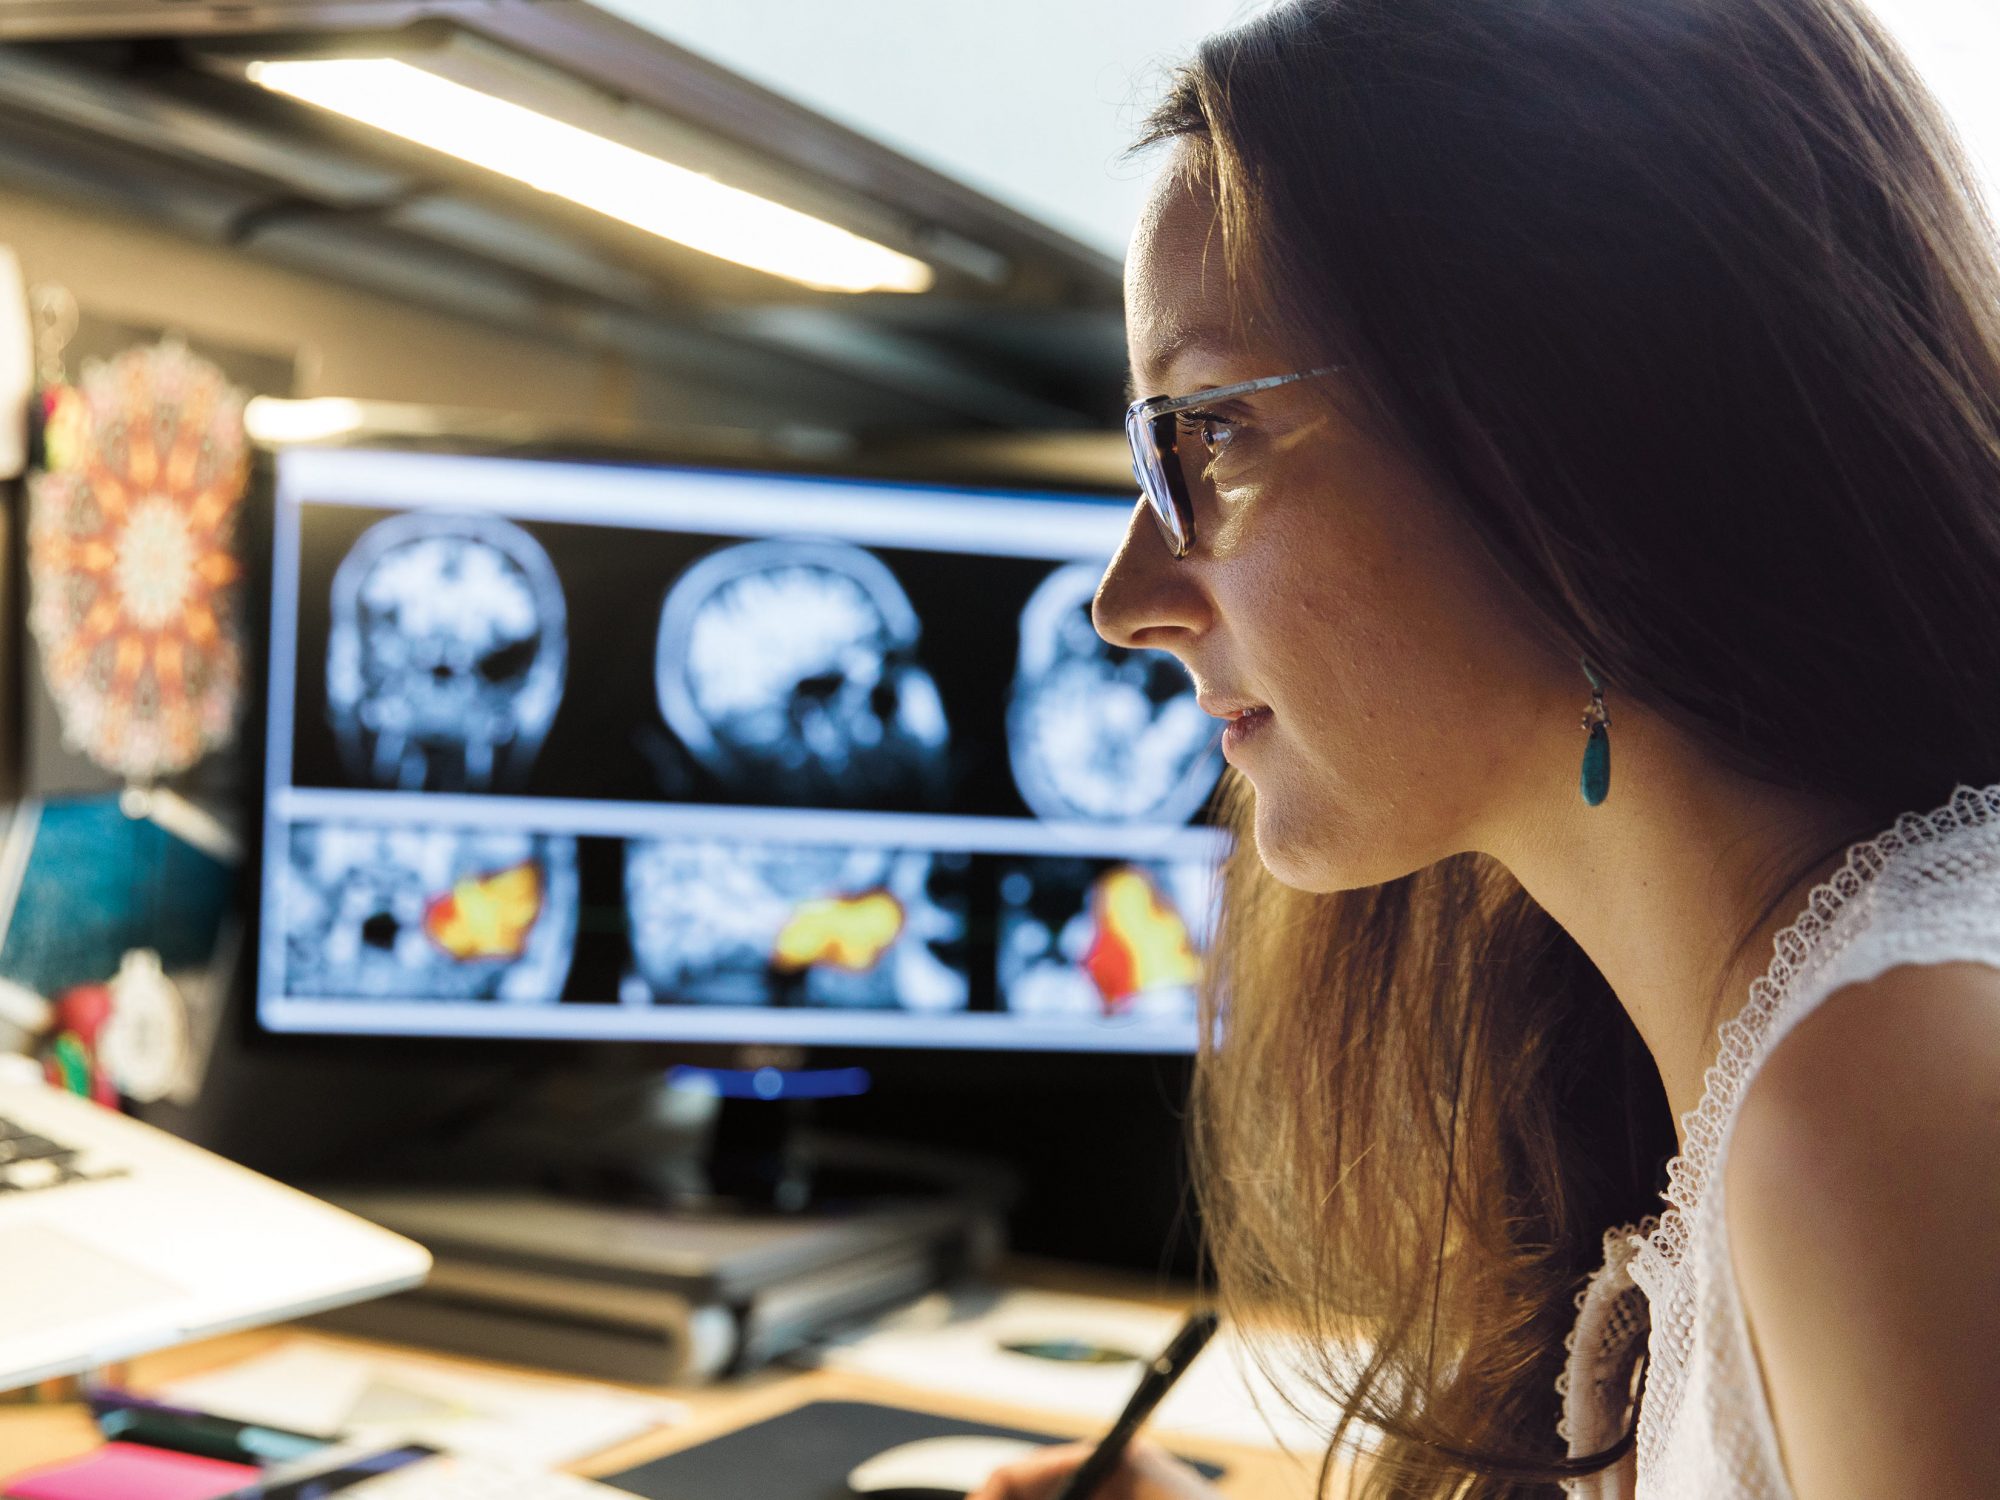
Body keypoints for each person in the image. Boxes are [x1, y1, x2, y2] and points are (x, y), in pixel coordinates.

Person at [972, 0, 2000, 1496]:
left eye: (1210, 438)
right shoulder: (1774, 1058)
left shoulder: (1896, 1097)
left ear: (1561, 425)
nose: (1125, 601)